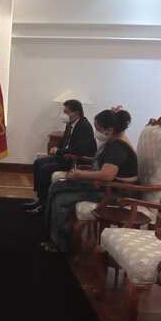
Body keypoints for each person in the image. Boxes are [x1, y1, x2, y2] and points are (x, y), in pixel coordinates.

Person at [42, 108, 138, 254]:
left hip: (115, 193)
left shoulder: (118, 147)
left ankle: (59, 243)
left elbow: (107, 175)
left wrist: (80, 174)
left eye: (98, 129)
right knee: (57, 185)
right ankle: (50, 232)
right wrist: (81, 174)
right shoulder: (114, 140)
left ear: (109, 130)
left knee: (61, 198)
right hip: (104, 186)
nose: (96, 132)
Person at [22, 99, 97, 212]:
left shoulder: (84, 126)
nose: (64, 114)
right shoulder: (70, 124)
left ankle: (45, 203)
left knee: (45, 169)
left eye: (66, 112)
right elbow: (64, 142)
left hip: (75, 161)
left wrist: (59, 151)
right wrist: (57, 148)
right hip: (65, 156)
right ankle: (40, 198)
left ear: (76, 112)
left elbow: (80, 149)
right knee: (38, 162)